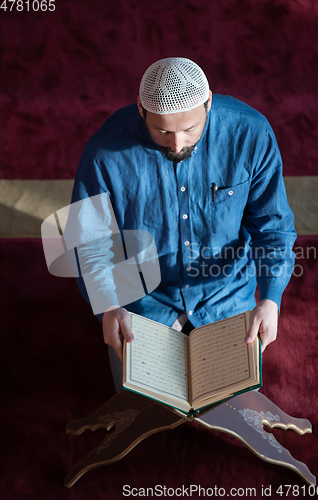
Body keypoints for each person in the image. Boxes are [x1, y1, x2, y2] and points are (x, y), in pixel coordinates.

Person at [70, 57, 296, 392]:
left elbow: (272, 226)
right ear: (141, 110)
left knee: (231, 401)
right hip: (145, 299)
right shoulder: (104, 150)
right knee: (144, 405)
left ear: (209, 103)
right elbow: (89, 241)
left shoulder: (250, 134)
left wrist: (271, 298)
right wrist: (108, 305)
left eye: (190, 130)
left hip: (226, 293)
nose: (177, 145)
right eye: (162, 131)